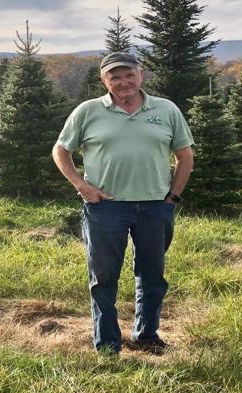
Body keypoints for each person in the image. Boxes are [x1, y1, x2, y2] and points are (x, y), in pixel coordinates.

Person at [51, 52, 195, 355]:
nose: (123, 82)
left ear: (141, 74)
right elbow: (61, 150)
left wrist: (172, 198)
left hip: (155, 207)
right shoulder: (88, 111)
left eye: (129, 74)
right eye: (114, 77)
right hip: (105, 208)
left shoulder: (166, 110)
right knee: (103, 278)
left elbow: (185, 156)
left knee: (152, 276)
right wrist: (82, 186)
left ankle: (146, 336)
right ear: (104, 80)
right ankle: (107, 344)